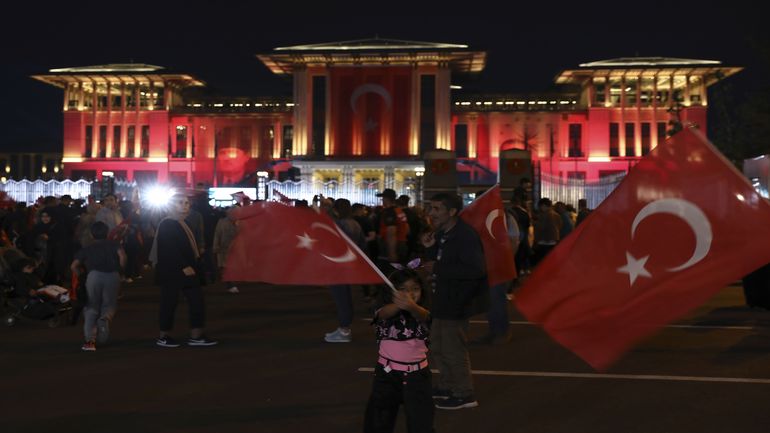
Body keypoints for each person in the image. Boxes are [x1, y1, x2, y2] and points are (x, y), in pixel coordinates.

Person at [421, 193, 486, 410]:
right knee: (438, 346)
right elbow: (439, 261)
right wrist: (430, 248)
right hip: (442, 298)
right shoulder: (443, 233)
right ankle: (448, 385)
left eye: (437, 209)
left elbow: (475, 270)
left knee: (453, 349)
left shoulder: (465, 236)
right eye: (430, 208)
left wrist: (438, 268)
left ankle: (464, 393)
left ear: (452, 212)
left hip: (456, 301)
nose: (431, 213)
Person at [363, 263, 433, 433]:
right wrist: (399, 304)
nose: (409, 294)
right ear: (391, 291)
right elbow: (382, 314)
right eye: (402, 289)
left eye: (415, 289)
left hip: (417, 376)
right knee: (379, 421)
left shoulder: (423, 311)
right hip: (386, 374)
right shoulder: (384, 310)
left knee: (421, 422)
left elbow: (425, 316)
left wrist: (411, 306)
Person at [150, 193, 217, 348]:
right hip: (173, 271)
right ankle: (164, 336)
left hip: (186, 270)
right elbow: (168, 248)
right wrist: (183, 265)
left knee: (196, 301)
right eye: (180, 202)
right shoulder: (167, 223)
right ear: (171, 205)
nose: (185, 206)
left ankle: (195, 335)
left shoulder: (183, 222)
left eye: (186, 203)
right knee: (170, 303)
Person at [70, 221, 126, 351]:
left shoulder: (88, 248)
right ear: (107, 233)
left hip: (93, 276)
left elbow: (73, 266)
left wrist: (81, 276)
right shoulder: (114, 245)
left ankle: (90, 341)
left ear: (91, 234)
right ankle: (105, 318)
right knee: (109, 304)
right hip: (112, 275)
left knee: (91, 307)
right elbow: (123, 257)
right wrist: (120, 270)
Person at [324, 198, 366, 343]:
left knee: (341, 297)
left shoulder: (338, 224)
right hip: (350, 262)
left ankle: (344, 329)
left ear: (336, 210)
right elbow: (362, 244)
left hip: (338, 264)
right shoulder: (355, 224)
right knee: (345, 295)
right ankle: (344, 327)